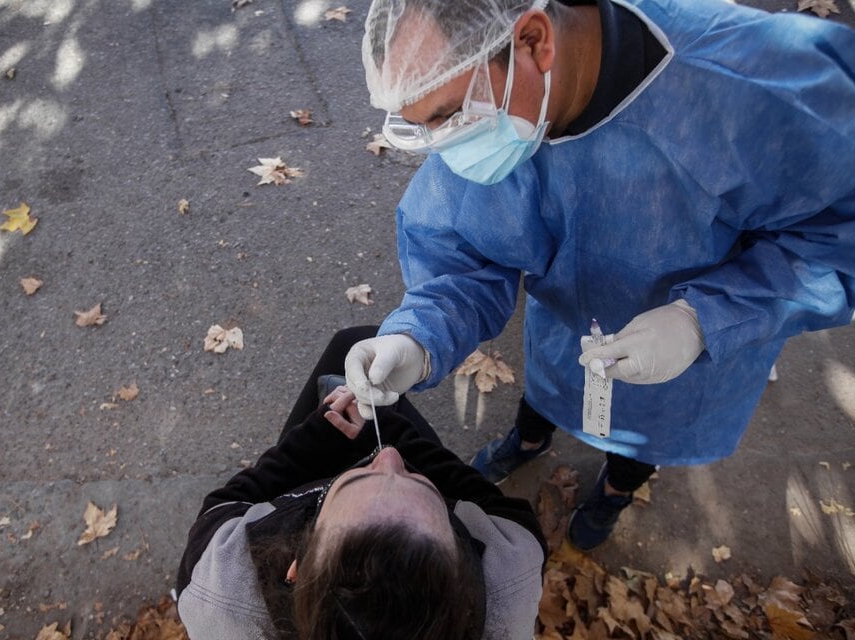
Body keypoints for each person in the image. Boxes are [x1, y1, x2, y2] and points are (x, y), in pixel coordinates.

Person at [345, 0, 855, 552]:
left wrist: (702, 321)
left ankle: (615, 488)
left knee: (642, 436)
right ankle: (530, 439)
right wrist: (418, 335)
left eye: (448, 115)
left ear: (535, 40)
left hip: (689, 360)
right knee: (548, 392)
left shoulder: (759, 87)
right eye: (422, 126)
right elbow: (465, 246)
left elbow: (838, 239)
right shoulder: (507, 104)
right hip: (566, 330)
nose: (444, 146)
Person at [176, 327, 546, 640]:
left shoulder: (222, 584)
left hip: (312, 457)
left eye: (355, 480)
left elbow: (222, 507)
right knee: (360, 343)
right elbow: (506, 515)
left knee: (350, 344)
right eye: (420, 483)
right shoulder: (507, 582)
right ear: (467, 571)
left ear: (296, 569)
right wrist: (394, 430)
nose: (388, 457)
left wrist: (317, 436)